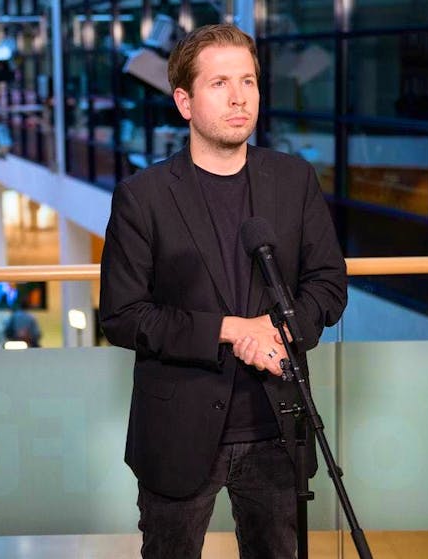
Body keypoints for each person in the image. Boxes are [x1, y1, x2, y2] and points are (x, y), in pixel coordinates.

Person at [98, 24, 348, 558]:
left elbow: (328, 284)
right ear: (184, 102)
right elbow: (122, 315)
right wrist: (230, 330)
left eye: (249, 81)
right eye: (220, 84)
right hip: (177, 430)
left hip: (277, 422)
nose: (239, 97)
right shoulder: (142, 198)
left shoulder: (294, 180)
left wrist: (280, 333)